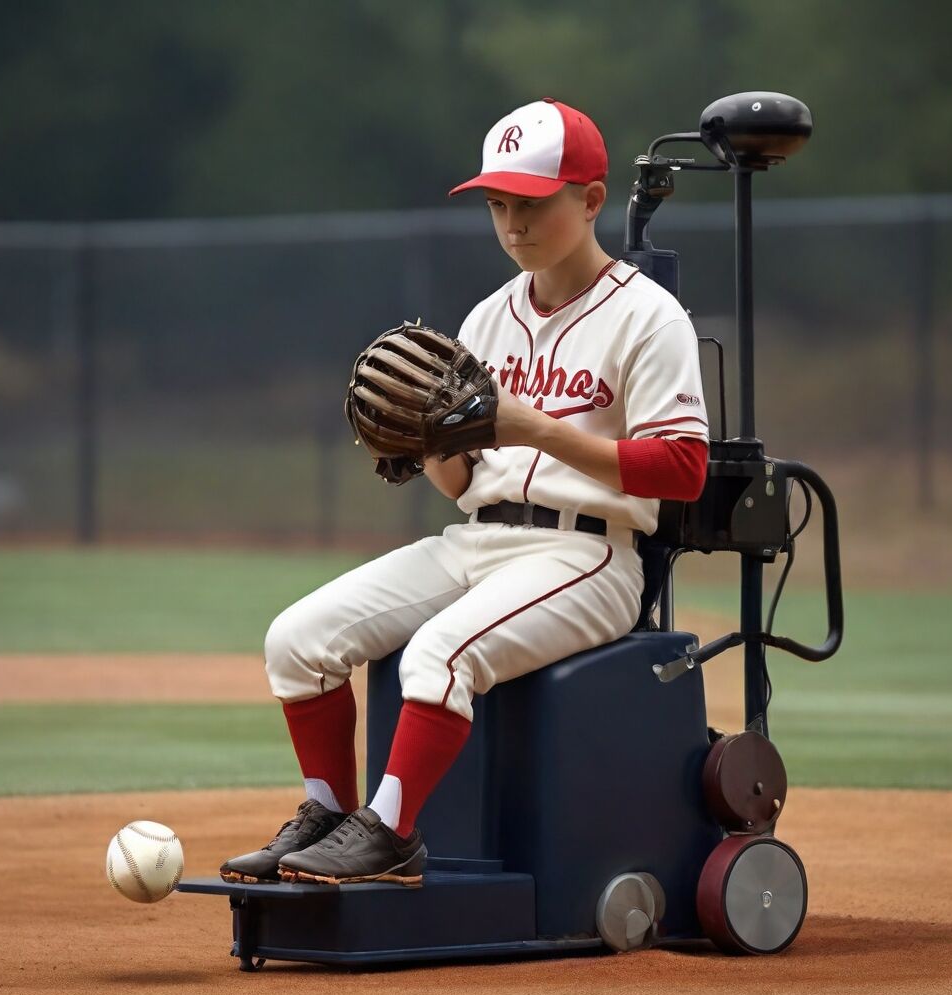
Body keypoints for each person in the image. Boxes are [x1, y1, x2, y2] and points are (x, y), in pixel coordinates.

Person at [220, 97, 709, 887]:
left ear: (589, 201)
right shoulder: (487, 318)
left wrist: (537, 428)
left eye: (532, 203)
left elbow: (683, 468)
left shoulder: (648, 318)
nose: (513, 224)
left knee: (439, 656)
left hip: (589, 556)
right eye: (498, 204)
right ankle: (331, 817)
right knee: (297, 640)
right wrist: (422, 448)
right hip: (480, 539)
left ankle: (391, 834)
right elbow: (465, 484)